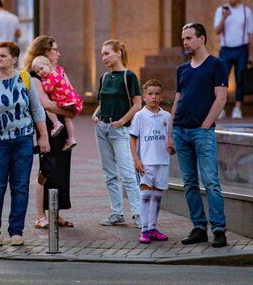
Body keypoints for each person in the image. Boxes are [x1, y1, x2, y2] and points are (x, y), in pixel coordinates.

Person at [0, 42, 49, 246]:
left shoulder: (25, 79)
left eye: (2, 56)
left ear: (14, 59)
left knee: (20, 187)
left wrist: (43, 136)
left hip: (22, 141)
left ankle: (17, 231)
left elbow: (37, 109)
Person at [169, 23, 228, 248]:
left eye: (189, 38)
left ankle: (219, 229)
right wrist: (170, 134)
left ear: (202, 39)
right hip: (180, 131)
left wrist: (205, 126)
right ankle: (199, 228)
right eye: (183, 38)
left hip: (201, 132)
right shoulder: (182, 69)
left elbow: (221, 98)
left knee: (211, 182)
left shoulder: (216, 65)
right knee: (189, 183)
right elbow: (177, 100)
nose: (185, 42)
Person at [24, 36, 77, 229]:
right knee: (46, 169)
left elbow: (71, 92)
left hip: (63, 126)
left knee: (62, 169)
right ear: (46, 51)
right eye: (55, 49)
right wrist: (69, 112)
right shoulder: (34, 75)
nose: (58, 53)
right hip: (46, 127)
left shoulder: (59, 72)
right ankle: (40, 215)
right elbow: (44, 104)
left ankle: (55, 213)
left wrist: (69, 111)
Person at [91, 39, 142, 228]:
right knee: (109, 174)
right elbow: (102, 101)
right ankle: (117, 213)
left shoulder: (129, 76)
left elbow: (138, 104)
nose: (103, 57)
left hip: (120, 130)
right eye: (102, 54)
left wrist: (121, 121)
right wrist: (96, 115)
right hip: (102, 128)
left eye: (107, 53)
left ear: (118, 53)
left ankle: (138, 215)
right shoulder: (104, 77)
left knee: (127, 173)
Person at [129, 79, 172, 244]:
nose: (154, 97)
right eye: (150, 94)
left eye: (157, 94)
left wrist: (171, 147)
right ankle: (144, 230)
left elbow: (169, 139)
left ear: (161, 97)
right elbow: (132, 139)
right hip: (146, 162)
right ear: (144, 96)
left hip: (162, 162)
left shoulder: (167, 116)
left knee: (157, 196)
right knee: (146, 194)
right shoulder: (140, 116)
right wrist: (136, 159)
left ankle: (153, 228)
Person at [213, 0, 253, 120]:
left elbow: (251, 33)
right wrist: (224, 17)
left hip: (242, 48)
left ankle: (237, 107)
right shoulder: (221, 10)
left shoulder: (246, 11)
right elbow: (216, 31)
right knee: (222, 78)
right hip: (226, 49)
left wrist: (251, 54)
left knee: (240, 78)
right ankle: (221, 108)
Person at [31, 55, 83, 151]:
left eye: (41, 68)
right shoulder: (58, 71)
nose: (40, 72)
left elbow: (48, 88)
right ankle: (71, 139)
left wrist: (43, 82)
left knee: (49, 108)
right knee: (67, 119)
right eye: (38, 72)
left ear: (48, 65)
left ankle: (56, 123)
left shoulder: (52, 75)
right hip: (71, 100)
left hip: (64, 100)